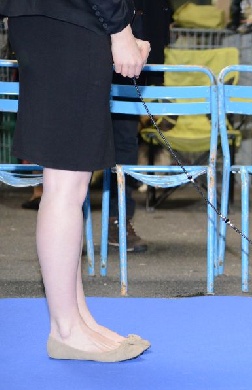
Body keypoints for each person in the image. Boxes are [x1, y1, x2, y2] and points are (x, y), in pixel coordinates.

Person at [0, 0, 152, 361]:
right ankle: (65, 330)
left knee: (72, 185)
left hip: (58, 21)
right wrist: (121, 30)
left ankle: (77, 319)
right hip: (66, 23)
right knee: (65, 188)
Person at [108, 0, 172, 253]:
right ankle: (71, 222)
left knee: (125, 141)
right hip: (87, 44)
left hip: (135, 52)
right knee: (80, 145)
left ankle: (119, 221)